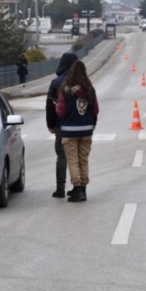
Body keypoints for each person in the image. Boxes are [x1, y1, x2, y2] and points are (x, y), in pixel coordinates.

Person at [55, 61, 99, 202]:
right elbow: (95, 110)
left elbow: (61, 112)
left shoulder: (65, 90)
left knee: (73, 161)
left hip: (69, 132)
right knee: (83, 161)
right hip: (86, 130)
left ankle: (78, 189)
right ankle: (82, 189)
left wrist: (56, 106)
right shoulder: (89, 90)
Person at [46, 52, 79, 198]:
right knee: (77, 156)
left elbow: (50, 106)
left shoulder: (56, 83)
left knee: (62, 155)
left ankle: (60, 188)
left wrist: (51, 125)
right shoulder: (82, 82)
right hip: (79, 125)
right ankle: (78, 188)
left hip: (61, 125)